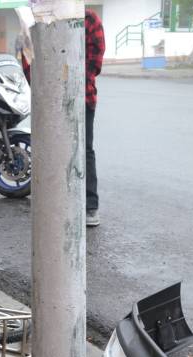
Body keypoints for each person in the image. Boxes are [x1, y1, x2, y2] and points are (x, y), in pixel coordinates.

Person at [85, 9, 104, 228]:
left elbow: (94, 63)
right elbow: (30, 61)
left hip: (82, 97)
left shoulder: (89, 19)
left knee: (85, 150)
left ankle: (90, 205)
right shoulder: (38, 19)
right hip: (48, 100)